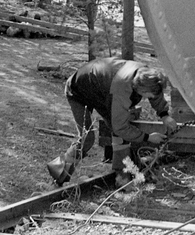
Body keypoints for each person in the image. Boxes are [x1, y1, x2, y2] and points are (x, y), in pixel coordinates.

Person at [48, 57, 177, 186]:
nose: (152, 98)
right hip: (78, 92)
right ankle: (59, 173)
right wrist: (148, 137)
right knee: (87, 138)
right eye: (148, 95)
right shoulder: (121, 89)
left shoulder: (148, 76)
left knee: (120, 136)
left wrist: (164, 115)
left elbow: (156, 92)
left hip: (101, 90)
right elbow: (120, 127)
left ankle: (122, 177)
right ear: (140, 90)